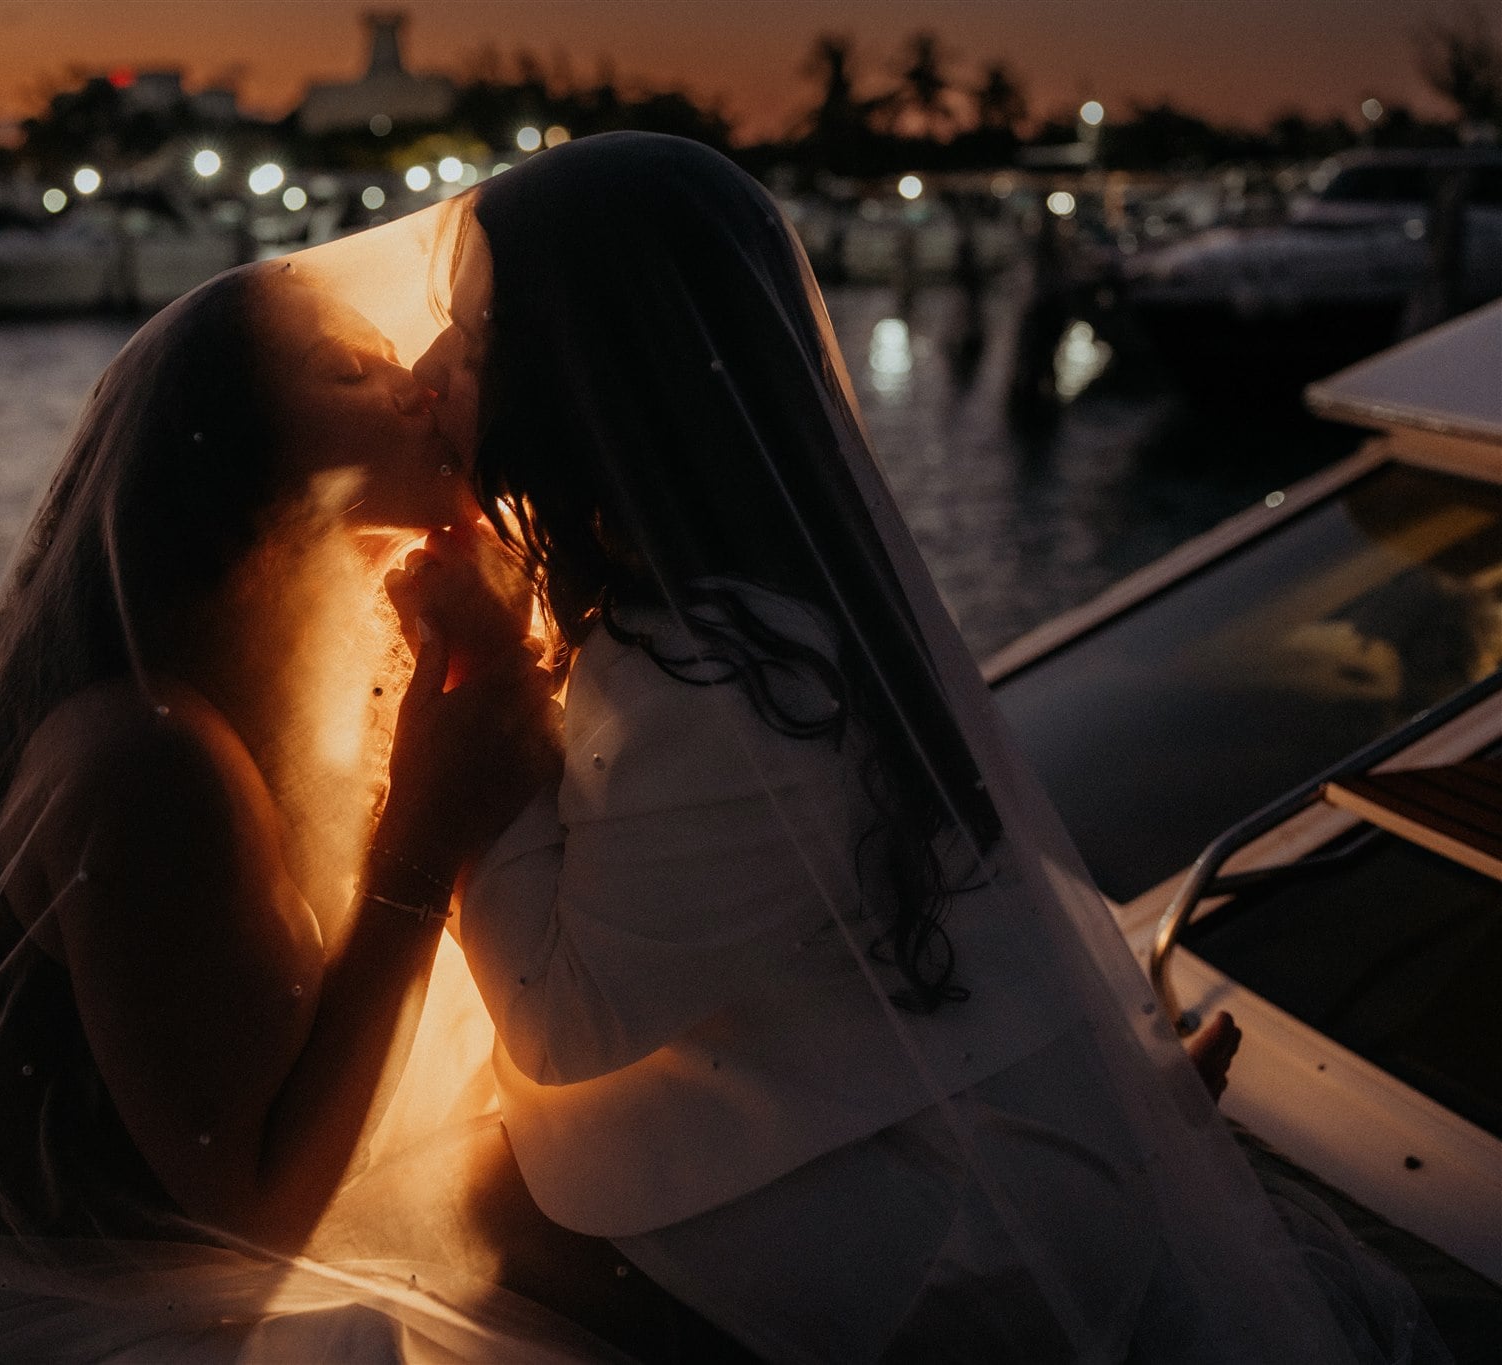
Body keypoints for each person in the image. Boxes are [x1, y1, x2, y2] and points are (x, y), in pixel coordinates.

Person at [398, 132, 1446, 1364]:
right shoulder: (755, 599)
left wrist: (473, 740)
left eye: (469, 343)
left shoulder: (722, 678)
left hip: (944, 1231)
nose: (427, 370)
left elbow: (562, 1024)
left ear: (578, 378)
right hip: (925, 1132)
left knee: (480, 1217)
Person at [0, 256, 733, 1362]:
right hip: (88, 1329)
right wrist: (425, 840)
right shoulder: (150, 758)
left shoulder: (280, 704)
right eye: (347, 370)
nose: (416, 386)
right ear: (225, 456)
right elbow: (249, 1214)